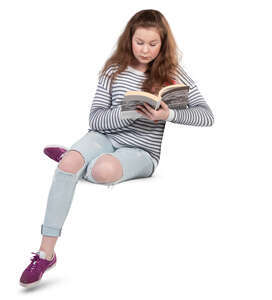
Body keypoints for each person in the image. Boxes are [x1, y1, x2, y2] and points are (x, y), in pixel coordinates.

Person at [19, 9, 214, 288]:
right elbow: (95, 119)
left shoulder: (172, 72)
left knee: (102, 170)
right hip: (103, 136)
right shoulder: (114, 69)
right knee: (67, 166)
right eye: (139, 42)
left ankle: (76, 159)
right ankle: (45, 253)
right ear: (129, 39)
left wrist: (168, 115)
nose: (145, 50)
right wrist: (128, 112)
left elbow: (206, 116)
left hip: (142, 151)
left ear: (163, 43)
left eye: (153, 44)